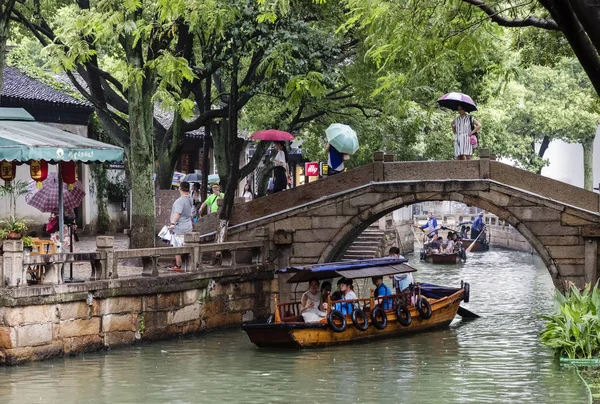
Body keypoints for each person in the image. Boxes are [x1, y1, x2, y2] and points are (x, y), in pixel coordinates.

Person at [168, 181, 194, 271]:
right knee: (185, 245)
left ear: (180, 188)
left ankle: (178, 265)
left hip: (180, 227)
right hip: (188, 225)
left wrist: (172, 224)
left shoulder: (180, 201)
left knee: (177, 246)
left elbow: (177, 213)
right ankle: (186, 264)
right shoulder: (190, 198)